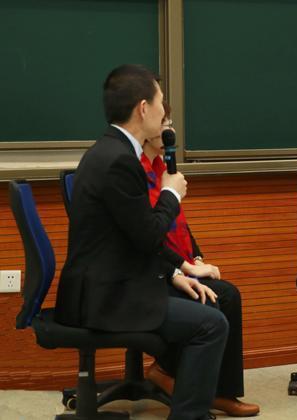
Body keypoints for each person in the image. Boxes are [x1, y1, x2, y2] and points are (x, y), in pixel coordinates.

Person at [55, 64, 228, 420]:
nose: (165, 112)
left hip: (110, 283)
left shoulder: (111, 151)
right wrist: (170, 193)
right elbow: (149, 233)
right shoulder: (119, 161)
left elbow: (135, 236)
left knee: (209, 300)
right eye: (161, 102)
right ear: (143, 108)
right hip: (106, 298)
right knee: (211, 324)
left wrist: (178, 269)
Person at [141, 105, 259, 417]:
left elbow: (177, 221)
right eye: (163, 121)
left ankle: (220, 391)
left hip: (174, 264)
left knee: (228, 293)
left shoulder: (161, 167)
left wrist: (195, 256)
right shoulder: (134, 172)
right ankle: (171, 373)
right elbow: (146, 234)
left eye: (170, 122)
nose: (169, 129)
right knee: (210, 302)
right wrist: (179, 270)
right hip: (150, 272)